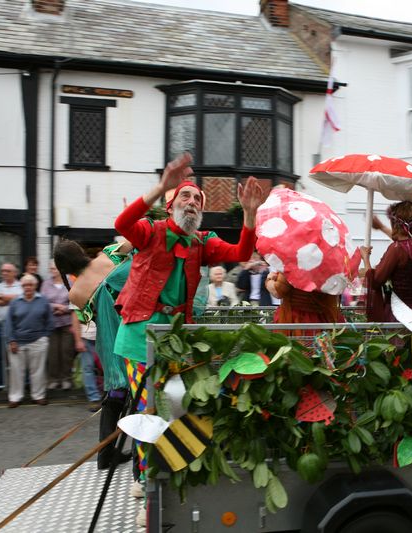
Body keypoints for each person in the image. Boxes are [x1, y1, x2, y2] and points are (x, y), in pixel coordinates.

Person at [113, 152, 263, 524]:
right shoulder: (151, 231)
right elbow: (122, 221)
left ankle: (160, 479)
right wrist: (161, 186)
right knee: (151, 411)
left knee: (174, 408)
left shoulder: (203, 243)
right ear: (170, 204)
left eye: (198, 199)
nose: (192, 202)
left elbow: (243, 253)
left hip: (176, 340)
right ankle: (149, 497)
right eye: (185, 196)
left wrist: (249, 213)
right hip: (139, 336)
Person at [53, 238, 133, 469]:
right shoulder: (110, 254)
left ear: (64, 268)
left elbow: (88, 317)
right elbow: (138, 238)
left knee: (116, 396)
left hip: (111, 344)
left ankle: (106, 454)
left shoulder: (74, 294)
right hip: (134, 329)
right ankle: (137, 457)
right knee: (139, 394)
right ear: (80, 251)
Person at [360, 201, 412, 322]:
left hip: (401, 314)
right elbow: (403, 241)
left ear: (396, 224)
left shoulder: (397, 248)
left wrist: (365, 258)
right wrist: (381, 227)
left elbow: (375, 281)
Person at [5, 274, 52, 407]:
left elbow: (49, 320)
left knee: (38, 371)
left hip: (38, 341)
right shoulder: (15, 302)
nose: (28, 287)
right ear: (22, 286)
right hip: (18, 342)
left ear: (35, 286)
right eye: (25, 285)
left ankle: (38, 396)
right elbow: (9, 322)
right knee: (16, 371)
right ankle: (15, 397)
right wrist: (11, 340)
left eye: (30, 285)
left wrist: (45, 336)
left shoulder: (43, 300)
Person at [41, 262, 75, 390]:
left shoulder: (70, 283)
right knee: (53, 353)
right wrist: (54, 307)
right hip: (52, 323)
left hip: (67, 323)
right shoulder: (46, 284)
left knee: (66, 352)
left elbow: (76, 300)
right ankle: (53, 379)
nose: (52, 270)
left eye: (54, 268)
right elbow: (42, 301)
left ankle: (66, 378)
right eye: (51, 268)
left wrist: (65, 308)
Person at [0, 263, 22, 386]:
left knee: (19, 355)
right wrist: (13, 298)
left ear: (14, 272)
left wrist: (3, 297)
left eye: (8, 271)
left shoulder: (21, 285)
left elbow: (20, 299)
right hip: (0, 326)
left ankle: (21, 383)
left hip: (17, 326)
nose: (4, 273)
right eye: (2, 271)